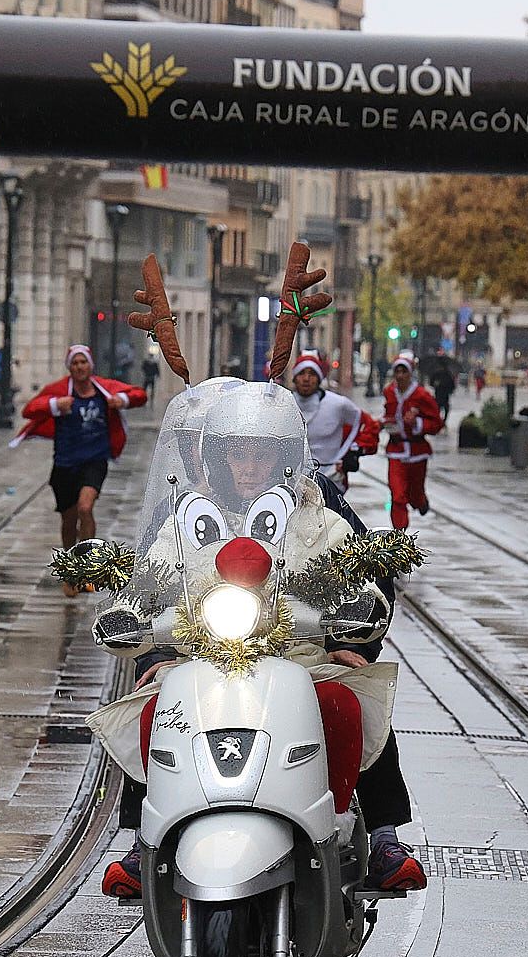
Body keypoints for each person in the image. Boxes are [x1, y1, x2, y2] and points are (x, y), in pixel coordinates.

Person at [100, 382, 425, 898]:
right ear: (218, 457)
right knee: (153, 710)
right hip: (203, 663)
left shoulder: (319, 520)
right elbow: (151, 587)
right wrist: (156, 649)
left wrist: (357, 642)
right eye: (238, 454)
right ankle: (147, 837)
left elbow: (365, 577)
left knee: (348, 704)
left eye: (261, 455)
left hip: (303, 661)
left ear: (283, 459)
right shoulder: (186, 523)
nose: (249, 468)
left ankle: (376, 835)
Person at [20, 343, 148, 589]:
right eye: (75, 363)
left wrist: (120, 400)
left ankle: (87, 569)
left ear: (91, 365)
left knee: (85, 507)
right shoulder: (59, 390)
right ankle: (70, 570)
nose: (80, 367)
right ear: (70, 367)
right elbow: (29, 410)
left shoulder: (103, 388)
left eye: (83, 362)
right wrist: (56, 404)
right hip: (65, 464)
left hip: (94, 460)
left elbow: (140, 395)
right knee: (68, 522)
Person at [381, 353, 441, 530]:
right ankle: (399, 535)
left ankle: (420, 502)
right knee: (397, 494)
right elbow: (388, 414)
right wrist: (385, 422)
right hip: (396, 449)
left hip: (417, 452)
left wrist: (418, 423)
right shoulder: (389, 392)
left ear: (410, 373)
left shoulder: (422, 395)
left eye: (404, 371)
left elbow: (437, 424)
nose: (400, 376)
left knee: (414, 494)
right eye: (397, 371)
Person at [289, 351, 364, 486]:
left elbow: (364, 424)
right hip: (293, 481)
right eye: (301, 373)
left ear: (319, 378)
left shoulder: (338, 404)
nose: (306, 379)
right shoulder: (283, 404)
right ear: (294, 378)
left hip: (330, 480)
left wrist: (350, 453)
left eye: (312, 374)